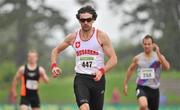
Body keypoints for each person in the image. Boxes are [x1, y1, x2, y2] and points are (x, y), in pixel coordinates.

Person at [50, 5, 117, 110]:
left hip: (97, 79)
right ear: (79, 20)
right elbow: (55, 50)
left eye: (88, 19)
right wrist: (54, 66)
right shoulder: (73, 37)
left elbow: (113, 59)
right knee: (84, 108)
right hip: (81, 79)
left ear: (93, 19)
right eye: (83, 20)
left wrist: (101, 71)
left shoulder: (101, 36)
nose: (85, 22)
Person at [123, 35, 170, 110]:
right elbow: (131, 69)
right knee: (143, 105)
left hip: (154, 89)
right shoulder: (138, 58)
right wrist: (125, 84)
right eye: (145, 44)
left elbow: (167, 67)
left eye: (149, 44)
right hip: (142, 87)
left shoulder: (158, 57)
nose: (147, 46)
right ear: (143, 45)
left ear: (153, 45)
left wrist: (158, 53)